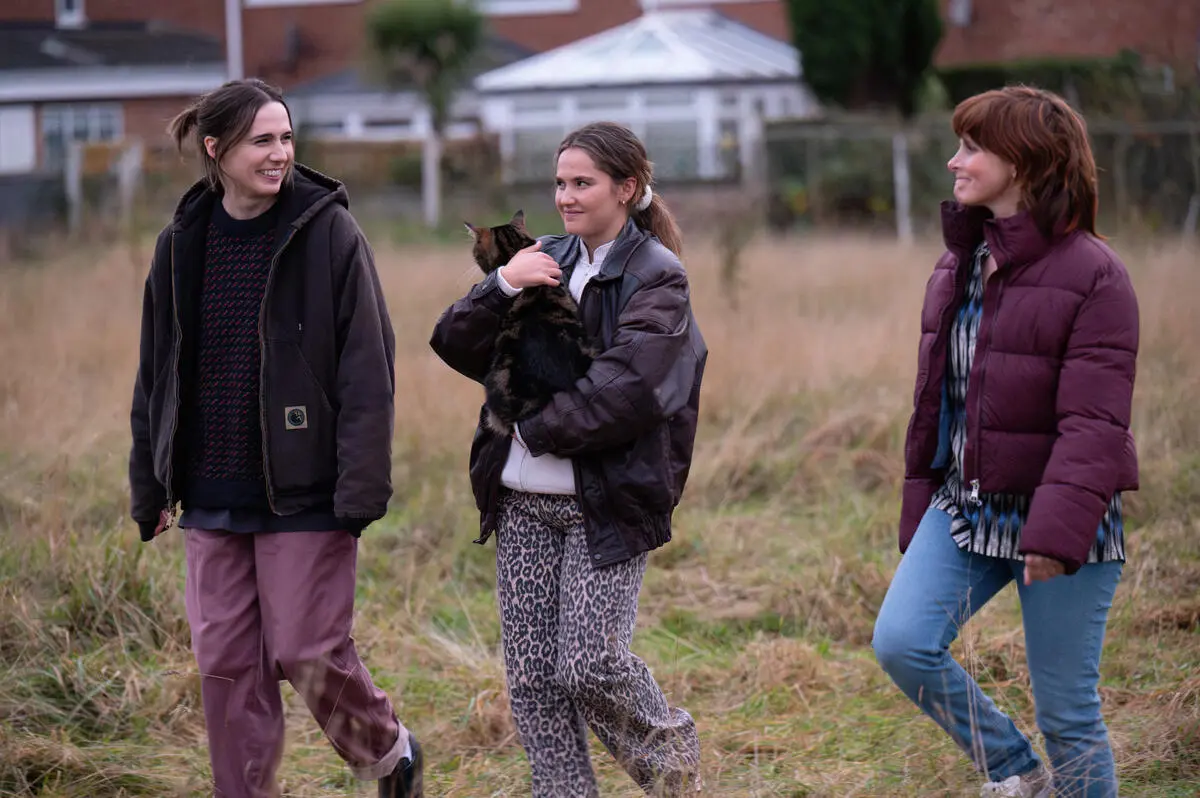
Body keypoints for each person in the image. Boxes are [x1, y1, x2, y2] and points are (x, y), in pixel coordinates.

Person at [127, 78, 422, 798]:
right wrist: (150, 483)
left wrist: (360, 486)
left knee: (307, 652)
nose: (280, 153)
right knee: (225, 667)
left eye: (286, 138)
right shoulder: (179, 246)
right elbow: (155, 376)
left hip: (307, 490)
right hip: (209, 491)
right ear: (216, 149)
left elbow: (368, 369)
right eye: (263, 140)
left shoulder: (329, 234)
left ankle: (387, 754)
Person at [872, 85, 1139, 798]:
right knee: (902, 642)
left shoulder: (1095, 276)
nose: (955, 161)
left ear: (1024, 163)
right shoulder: (961, 260)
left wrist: (1053, 535)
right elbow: (940, 399)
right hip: (966, 509)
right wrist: (924, 492)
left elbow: (1094, 424)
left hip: (1063, 517)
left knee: (1069, 716)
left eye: (972, 147)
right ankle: (1017, 772)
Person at [429, 121, 708, 796]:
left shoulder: (656, 279)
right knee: (530, 678)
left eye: (583, 182)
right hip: (522, 501)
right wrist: (499, 283)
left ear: (628, 188)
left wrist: (529, 427)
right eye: (560, 182)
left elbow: (630, 391)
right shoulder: (543, 259)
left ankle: (672, 769)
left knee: (587, 665)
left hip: (604, 502)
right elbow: (457, 345)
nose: (566, 196)